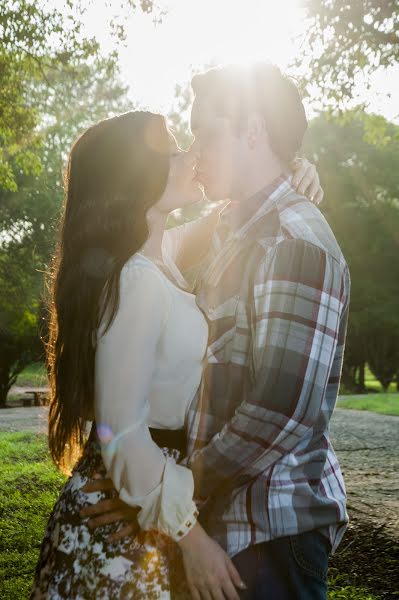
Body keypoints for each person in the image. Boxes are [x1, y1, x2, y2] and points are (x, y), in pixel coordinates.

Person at [82, 63, 350, 600]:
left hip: (269, 529)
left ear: (252, 130)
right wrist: (162, 497)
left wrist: (174, 492)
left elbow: (281, 407)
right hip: (226, 525)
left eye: (205, 130)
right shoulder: (229, 229)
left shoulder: (291, 239)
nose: (196, 150)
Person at [30, 107, 322, 599]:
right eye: (172, 151)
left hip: (148, 500)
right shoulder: (137, 279)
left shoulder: (159, 252)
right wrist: (194, 540)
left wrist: (291, 170)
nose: (192, 156)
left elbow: (236, 211)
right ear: (132, 178)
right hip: (123, 522)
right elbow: (122, 433)